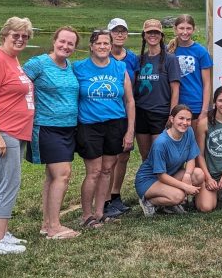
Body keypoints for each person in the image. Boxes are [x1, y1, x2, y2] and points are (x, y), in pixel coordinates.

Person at [0, 17, 35, 255]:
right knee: (7, 184)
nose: (20, 39)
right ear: (5, 35)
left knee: (2, 183)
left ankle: (1, 233)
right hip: (3, 133)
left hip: (15, 133)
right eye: (16, 35)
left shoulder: (12, 59)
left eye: (25, 36)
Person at [23, 26, 81, 240]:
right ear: (54, 41)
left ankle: (47, 223)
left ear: (74, 48)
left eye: (70, 44)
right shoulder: (38, 63)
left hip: (68, 128)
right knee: (63, 175)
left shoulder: (69, 66)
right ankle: (55, 227)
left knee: (52, 176)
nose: (65, 46)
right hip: (46, 127)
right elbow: (17, 84)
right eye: (62, 41)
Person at [73, 30, 135, 228]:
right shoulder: (79, 68)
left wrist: (130, 130)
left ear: (111, 46)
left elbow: (129, 100)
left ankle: (100, 212)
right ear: (91, 45)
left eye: (106, 43)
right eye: (98, 43)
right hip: (90, 124)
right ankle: (86, 215)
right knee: (94, 171)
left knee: (107, 169)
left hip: (115, 124)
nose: (102, 47)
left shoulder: (119, 67)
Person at [135, 104, 208, 216]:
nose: (185, 123)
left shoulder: (189, 132)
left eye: (188, 119)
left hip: (171, 174)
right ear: (172, 119)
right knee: (178, 196)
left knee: (198, 174)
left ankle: (169, 201)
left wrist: (187, 175)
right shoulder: (161, 143)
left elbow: (191, 157)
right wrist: (185, 186)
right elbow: (161, 175)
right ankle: (149, 202)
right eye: (181, 118)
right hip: (149, 180)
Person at [106, 17, 140, 217]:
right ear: (109, 33)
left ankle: (115, 193)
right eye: (115, 31)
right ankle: (105, 196)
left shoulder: (132, 58)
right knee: (109, 156)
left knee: (124, 154)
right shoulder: (102, 54)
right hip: (107, 113)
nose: (119, 34)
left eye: (123, 31)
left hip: (128, 112)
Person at [135, 19, 181, 161]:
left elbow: (175, 89)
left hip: (160, 112)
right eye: (149, 32)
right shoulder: (139, 59)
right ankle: (148, 183)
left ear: (161, 36)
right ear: (144, 35)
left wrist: (172, 115)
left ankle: (163, 182)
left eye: (156, 32)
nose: (153, 35)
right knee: (145, 155)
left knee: (159, 155)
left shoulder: (170, 59)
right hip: (141, 111)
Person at [167, 14, 212, 130]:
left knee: (195, 144)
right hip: (174, 104)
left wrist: (204, 111)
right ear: (175, 29)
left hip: (195, 105)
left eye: (188, 28)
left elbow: (207, 84)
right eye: (181, 28)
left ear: (194, 29)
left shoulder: (200, 51)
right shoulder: (169, 50)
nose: (185, 32)